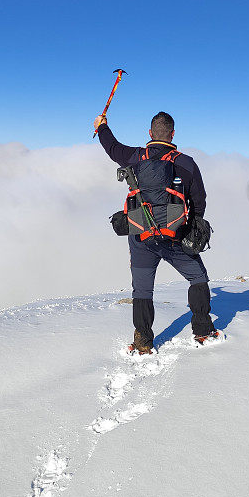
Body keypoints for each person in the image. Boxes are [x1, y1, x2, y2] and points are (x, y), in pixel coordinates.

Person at [94, 110, 218, 353]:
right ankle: (203, 331)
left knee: (142, 290)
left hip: (141, 237)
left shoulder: (134, 156)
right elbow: (199, 200)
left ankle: (143, 343)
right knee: (198, 278)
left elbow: (112, 147)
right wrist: (190, 225)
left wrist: (101, 126)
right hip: (176, 236)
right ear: (172, 135)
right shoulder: (185, 162)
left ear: (150, 134)